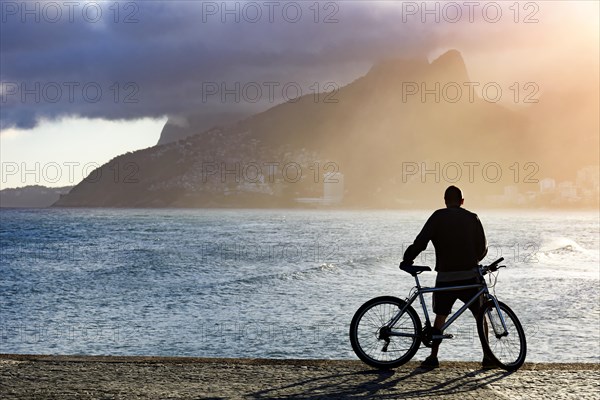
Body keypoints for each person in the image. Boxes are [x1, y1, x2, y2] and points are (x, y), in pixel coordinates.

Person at [400, 185, 492, 369]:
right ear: (462, 201)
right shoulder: (472, 218)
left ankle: (433, 357)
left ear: (445, 201)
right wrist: (474, 258)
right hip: (470, 277)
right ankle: (488, 357)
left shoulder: (437, 216)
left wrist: (407, 259)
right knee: (480, 316)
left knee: (440, 316)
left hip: (445, 277)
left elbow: (420, 242)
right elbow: (481, 249)